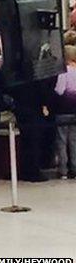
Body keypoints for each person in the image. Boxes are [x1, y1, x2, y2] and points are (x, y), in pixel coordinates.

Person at [54, 45, 76, 179]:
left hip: (63, 109)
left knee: (62, 140)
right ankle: (75, 167)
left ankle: (63, 169)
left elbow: (60, 90)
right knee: (74, 140)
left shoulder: (63, 72)